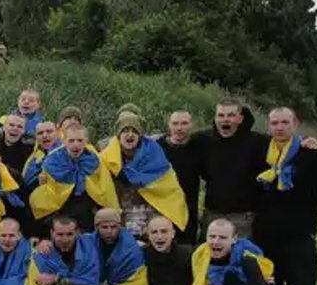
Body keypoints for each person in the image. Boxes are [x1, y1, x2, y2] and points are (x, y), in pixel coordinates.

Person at [251, 107, 317, 285]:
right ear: (269, 125)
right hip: (266, 233)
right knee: (270, 284)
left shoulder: (312, 155)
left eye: (285, 122)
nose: (279, 127)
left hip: (299, 232)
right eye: (275, 123)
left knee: (302, 284)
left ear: (295, 123)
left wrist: (302, 212)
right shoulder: (261, 155)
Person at [100, 109, 189, 241]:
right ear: (118, 135)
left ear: (140, 135)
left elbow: (170, 190)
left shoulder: (155, 156)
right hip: (119, 223)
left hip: (150, 224)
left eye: (134, 131)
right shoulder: (106, 159)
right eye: (125, 130)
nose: (129, 135)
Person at [193, 99, 267, 239]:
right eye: (221, 115)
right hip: (212, 214)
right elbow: (177, 140)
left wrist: (304, 142)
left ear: (240, 118)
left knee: (241, 258)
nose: (225, 120)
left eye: (231, 115)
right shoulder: (203, 140)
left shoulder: (258, 142)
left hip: (243, 217)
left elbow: (284, 144)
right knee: (208, 257)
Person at [29, 123, 116, 232]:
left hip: (87, 211)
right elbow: (46, 192)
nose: (76, 144)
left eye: (80, 140)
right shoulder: (52, 161)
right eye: (71, 141)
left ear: (86, 141)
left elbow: (105, 187)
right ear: (64, 141)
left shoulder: (94, 160)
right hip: (60, 210)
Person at [158, 110, 203, 243]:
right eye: (175, 123)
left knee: (185, 251)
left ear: (191, 125)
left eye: (184, 123)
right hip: (162, 208)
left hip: (188, 209)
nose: (179, 128)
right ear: (169, 125)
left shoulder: (199, 147)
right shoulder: (158, 147)